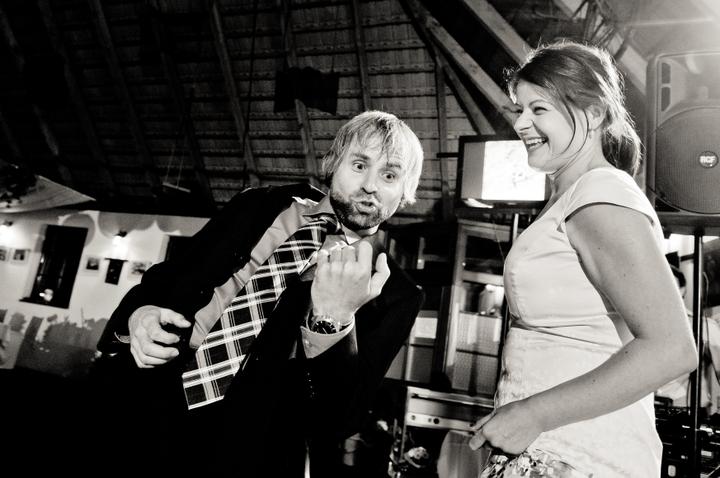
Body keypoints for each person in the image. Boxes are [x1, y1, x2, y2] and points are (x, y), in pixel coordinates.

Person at [92, 110, 425, 477]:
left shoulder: (397, 294)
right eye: (359, 165)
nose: (371, 185)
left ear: (404, 192)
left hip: (239, 445)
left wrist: (333, 320)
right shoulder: (258, 205)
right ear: (333, 164)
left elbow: (339, 419)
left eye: (389, 175)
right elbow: (165, 278)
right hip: (141, 389)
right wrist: (137, 316)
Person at [468, 40, 698, 477]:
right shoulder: (576, 196)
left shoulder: (599, 194)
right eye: (519, 109)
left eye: (538, 109)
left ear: (593, 114)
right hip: (554, 452)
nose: (520, 123)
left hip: (576, 457)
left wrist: (533, 413)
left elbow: (671, 349)